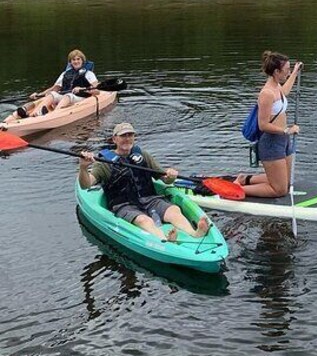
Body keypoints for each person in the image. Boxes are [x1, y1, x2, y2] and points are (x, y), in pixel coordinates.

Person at [78, 122, 209, 242]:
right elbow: (86, 185)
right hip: (124, 204)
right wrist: (83, 167)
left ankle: (195, 233)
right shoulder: (104, 163)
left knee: (174, 210)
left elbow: (165, 179)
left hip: (149, 198)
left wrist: (171, 176)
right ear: (114, 139)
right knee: (143, 220)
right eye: (123, 136)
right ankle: (165, 240)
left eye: (130, 135)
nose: (127, 139)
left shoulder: (143, 156)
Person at [234, 51, 303, 197]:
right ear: (276, 72)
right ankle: (238, 190)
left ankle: (244, 179)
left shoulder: (277, 88)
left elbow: (285, 92)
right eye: (287, 70)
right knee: (280, 190)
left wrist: (295, 73)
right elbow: (263, 125)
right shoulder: (266, 93)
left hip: (283, 140)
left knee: (287, 181)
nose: (288, 73)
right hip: (271, 142)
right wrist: (287, 131)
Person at [31, 49, 100, 117]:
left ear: (82, 61)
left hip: (81, 98)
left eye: (78, 59)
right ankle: (34, 114)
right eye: (73, 60)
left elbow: (97, 90)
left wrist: (82, 88)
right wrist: (38, 94)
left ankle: (54, 115)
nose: (76, 61)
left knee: (69, 96)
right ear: (70, 62)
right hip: (65, 98)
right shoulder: (65, 73)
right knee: (52, 94)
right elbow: (54, 88)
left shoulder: (89, 74)